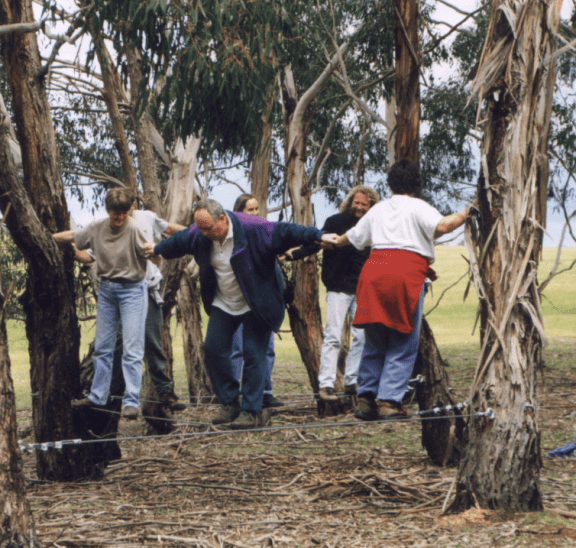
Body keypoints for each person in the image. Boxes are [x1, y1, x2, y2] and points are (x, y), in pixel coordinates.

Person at [147, 198, 335, 429]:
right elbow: (178, 242)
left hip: (257, 301)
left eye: (209, 228)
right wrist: (156, 249)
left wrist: (319, 235)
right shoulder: (200, 233)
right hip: (223, 301)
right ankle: (229, 402)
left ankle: (251, 409)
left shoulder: (252, 227)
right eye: (201, 229)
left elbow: (287, 231)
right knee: (213, 350)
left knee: (253, 353)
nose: (205, 234)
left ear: (223, 219)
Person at [332, 159, 472, 421]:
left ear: (390, 183)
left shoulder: (379, 209)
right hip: (404, 274)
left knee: (374, 340)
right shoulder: (418, 206)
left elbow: (351, 237)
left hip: (373, 273)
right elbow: (442, 226)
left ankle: (366, 399)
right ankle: (389, 402)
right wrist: (467, 212)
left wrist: (332, 241)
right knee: (403, 339)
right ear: (417, 184)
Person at [74, 201, 187, 412]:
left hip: (145, 289)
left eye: (127, 208)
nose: (122, 214)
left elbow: (171, 230)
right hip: (114, 293)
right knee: (111, 345)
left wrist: (195, 233)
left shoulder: (146, 218)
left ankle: (164, 392)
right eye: (117, 210)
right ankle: (106, 394)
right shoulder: (104, 228)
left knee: (150, 343)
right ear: (110, 209)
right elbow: (87, 252)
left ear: (133, 204)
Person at [53, 188, 151, 420]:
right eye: (115, 214)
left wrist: (153, 254)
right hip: (107, 289)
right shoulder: (97, 227)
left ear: (128, 211)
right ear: (108, 211)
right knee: (103, 347)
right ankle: (98, 395)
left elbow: (151, 254)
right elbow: (74, 236)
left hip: (133, 290)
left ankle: (131, 401)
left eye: (123, 214)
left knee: (132, 348)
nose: (119, 218)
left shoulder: (135, 229)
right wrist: (47, 238)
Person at [287, 186, 379, 402]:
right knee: (333, 336)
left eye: (364, 204)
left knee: (362, 336)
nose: (359, 207)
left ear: (371, 206)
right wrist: (295, 253)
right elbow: (317, 243)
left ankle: (351, 381)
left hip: (363, 288)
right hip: (338, 286)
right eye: (356, 202)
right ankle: (326, 384)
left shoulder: (373, 225)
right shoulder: (335, 222)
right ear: (350, 202)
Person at [230, 194, 284, 408]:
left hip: (261, 302)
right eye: (249, 209)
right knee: (238, 349)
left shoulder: (264, 232)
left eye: (256, 209)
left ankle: (265, 391)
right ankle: (235, 394)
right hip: (238, 301)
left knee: (267, 348)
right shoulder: (233, 237)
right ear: (239, 212)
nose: (254, 213)